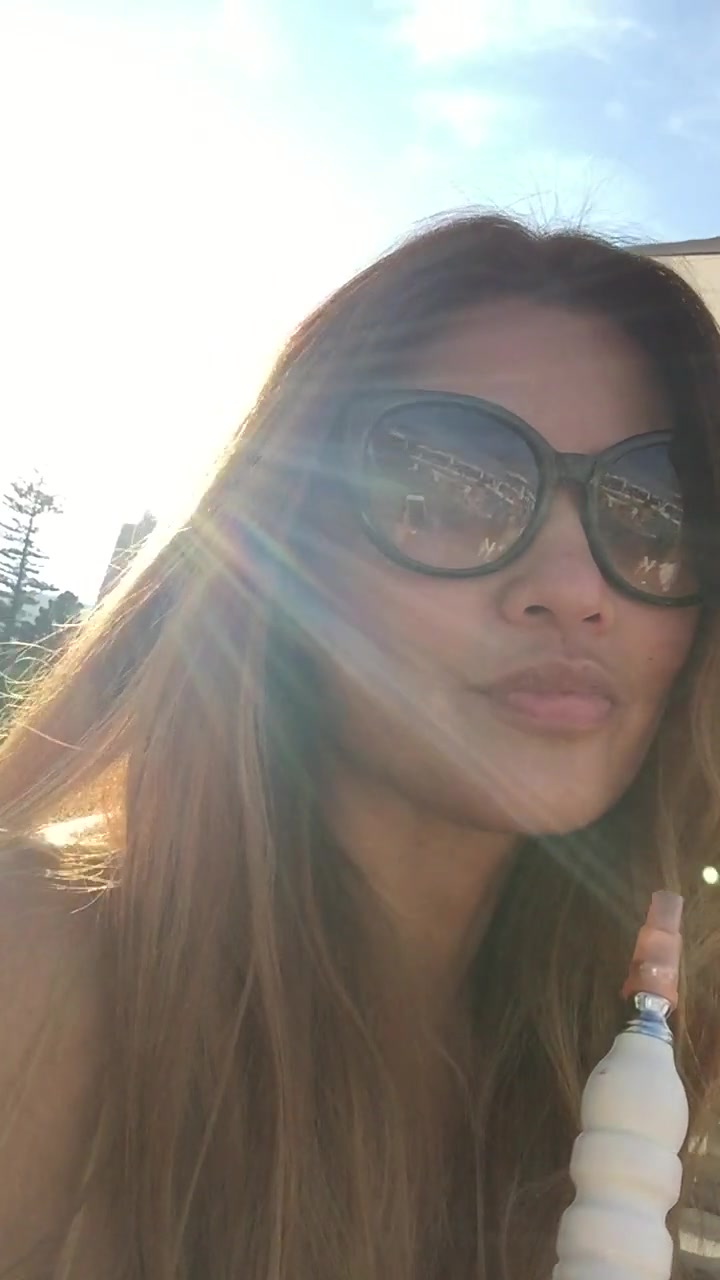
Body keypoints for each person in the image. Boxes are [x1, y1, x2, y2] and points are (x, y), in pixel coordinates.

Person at [1, 212, 719, 1280]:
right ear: (283, 547)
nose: (575, 589)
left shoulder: (602, 1048)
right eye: (447, 493)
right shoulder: (43, 961)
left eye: (657, 512)